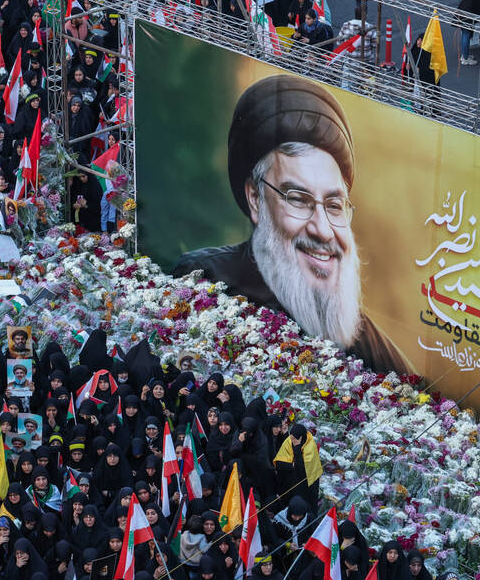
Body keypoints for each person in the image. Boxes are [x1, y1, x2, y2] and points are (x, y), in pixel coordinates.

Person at [173, 74, 411, 374]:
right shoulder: (203, 278)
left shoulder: (376, 355)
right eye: (298, 199)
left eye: (335, 206)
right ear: (256, 199)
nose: (322, 230)